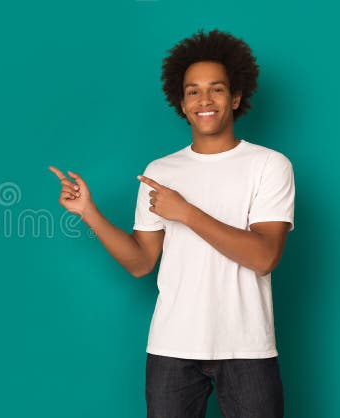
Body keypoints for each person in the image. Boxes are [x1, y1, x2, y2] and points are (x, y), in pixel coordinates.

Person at [50, 30, 293, 417]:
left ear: (235, 97)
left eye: (216, 89)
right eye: (193, 91)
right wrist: (88, 212)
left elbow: (264, 256)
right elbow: (141, 262)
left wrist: (186, 213)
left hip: (247, 348)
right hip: (172, 349)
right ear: (181, 102)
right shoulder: (161, 172)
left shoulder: (269, 165)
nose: (204, 100)